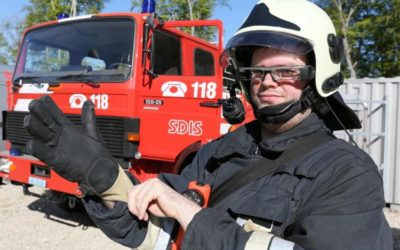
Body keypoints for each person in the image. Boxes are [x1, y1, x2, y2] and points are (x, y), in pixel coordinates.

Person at [24, 0, 393, 249]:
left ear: (317, 76)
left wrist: (190, 213)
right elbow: (149, 233)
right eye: (256, 71)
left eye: (285, 71)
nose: (267, 81)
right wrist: (104, 180)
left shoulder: (347, 173)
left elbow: (183, 215)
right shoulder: (220, 150)